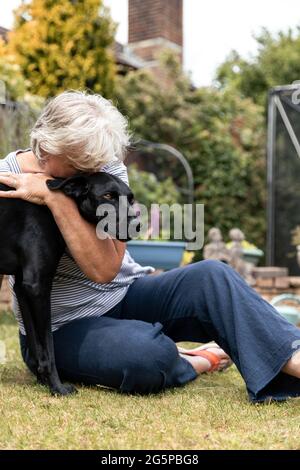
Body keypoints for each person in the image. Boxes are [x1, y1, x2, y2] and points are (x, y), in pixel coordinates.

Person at [0, 90, 299, 403]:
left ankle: (294, 360)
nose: (90, 171)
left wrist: (54, 196)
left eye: (93, 163)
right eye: (78, 164)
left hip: (127, 294)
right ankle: (197, 360)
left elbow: (104, 269)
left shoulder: (100, 164)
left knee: (214, 275)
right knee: (145, 356)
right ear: (46, 147)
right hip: (60, 329)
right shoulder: (7, 178)